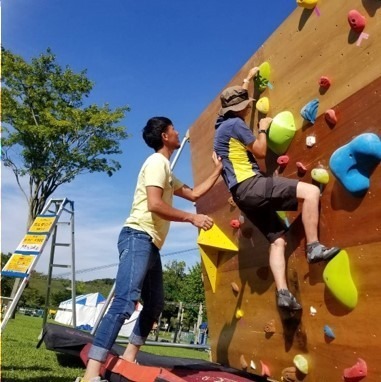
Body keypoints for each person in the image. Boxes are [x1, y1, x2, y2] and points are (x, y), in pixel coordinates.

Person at [77, 116, 222, 382]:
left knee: (154, 303)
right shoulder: (156, 163)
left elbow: (194, 193)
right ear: (165, 136)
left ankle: (129, 358)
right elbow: (155, 204)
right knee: (124, 302)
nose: (177, 132)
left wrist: (218, 170)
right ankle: (90, 375)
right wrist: (192, 218)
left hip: (151, 243)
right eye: (173, 129)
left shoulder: (165, 168)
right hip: (137, 236)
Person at [213, 67, 340, 311]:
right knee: (311, 192)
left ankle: (283, 294)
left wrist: (248, 80)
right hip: (252, 184)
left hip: (241, 197)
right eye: (246, 105)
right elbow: (260, 152)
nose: (249, 107)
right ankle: (313, 248)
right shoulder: (235, 126)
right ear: (238, 110)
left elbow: (235, 99)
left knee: (278, 240)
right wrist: (262, 127)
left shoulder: (221, 127)